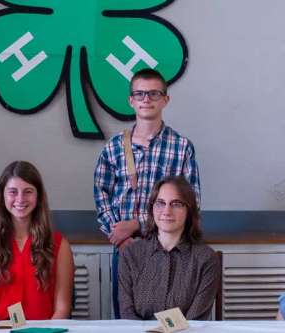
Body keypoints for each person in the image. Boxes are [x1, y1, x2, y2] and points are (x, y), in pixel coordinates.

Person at [93, 68, 201, 317]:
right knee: (127, 318)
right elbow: (101, 194)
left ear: (165, 99)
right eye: (140, 94)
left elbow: (191, 201)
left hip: (169, 248)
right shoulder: (115, 147)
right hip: (125, 249)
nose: (146, 99)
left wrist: (136, 224)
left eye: (154, 93)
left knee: (169, 318)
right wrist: (121, 236)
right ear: (131, 100)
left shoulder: (181, 147)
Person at [0, 161, 74, 320]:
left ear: (38, 196)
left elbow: (62, 309)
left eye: (28, 191)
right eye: (13, 192)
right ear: (2, 196)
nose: (20, 199)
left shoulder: (60, 245)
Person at [118, 176, 218, 320]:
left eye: (176, 204)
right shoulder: (130, 255)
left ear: (189, 210)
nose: (166, 211)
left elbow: (195, 322)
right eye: (160, 203)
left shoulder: (206, 259)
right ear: (152, 208)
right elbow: (127, 316)